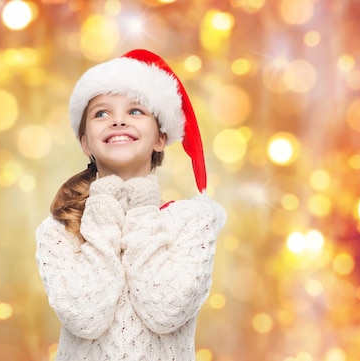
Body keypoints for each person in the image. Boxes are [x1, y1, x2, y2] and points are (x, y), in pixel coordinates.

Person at [35, 49, 226, 360]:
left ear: (160, 138)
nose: (118, 120)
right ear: (85, 142)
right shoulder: (60, 229)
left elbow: (165, 311)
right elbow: (85, 317)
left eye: (135, 111)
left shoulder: (192, 221)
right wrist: (104, 207)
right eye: (101, 113)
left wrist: (140, 208)